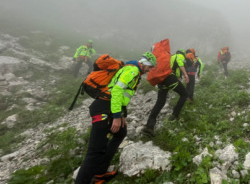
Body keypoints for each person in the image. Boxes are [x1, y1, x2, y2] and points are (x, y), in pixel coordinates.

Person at [75, 52, 157, 184]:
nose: (150, 70)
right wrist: (117, 116)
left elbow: (122, 95)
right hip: (103, 108)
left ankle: (100, 172)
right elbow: (117, 90)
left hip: (109, 106)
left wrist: (122, 114)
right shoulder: (133, 70)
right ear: (145, 63)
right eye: (150, 66)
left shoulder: (133, 70)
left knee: (121, 132)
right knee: (95, 152)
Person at [142, 49, 189, 137]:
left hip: (161, 79)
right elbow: (180, 64)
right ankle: (174, 115)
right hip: (169, 78)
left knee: (160, 102)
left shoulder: (166, 58)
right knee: (184, 94)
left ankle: (149, 126)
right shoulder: (179, 56)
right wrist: (185, 75)